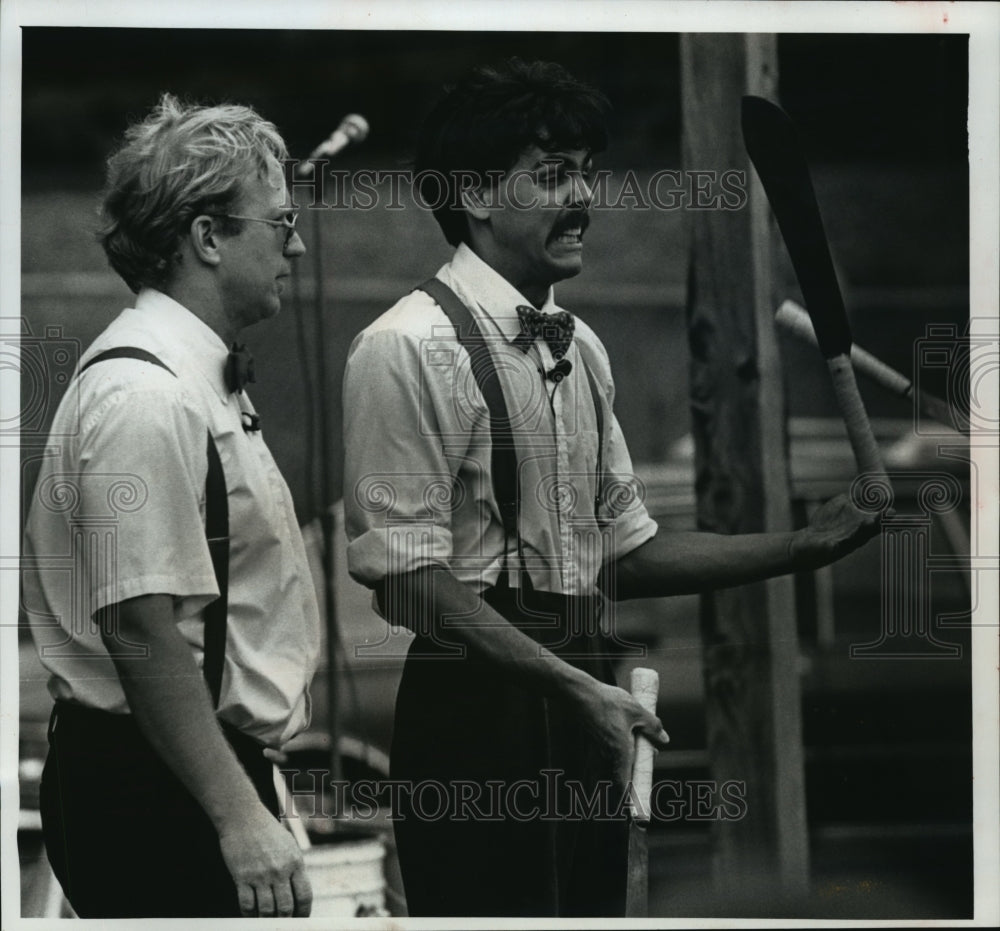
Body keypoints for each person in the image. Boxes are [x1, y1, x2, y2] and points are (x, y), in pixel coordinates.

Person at [341, 59, 879, 917]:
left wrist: (806, 546)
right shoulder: (403, 347)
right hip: (479, 702)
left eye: (587, 170)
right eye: (553, 175)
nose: (584, 194)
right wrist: (572, 685)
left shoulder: (581, 346)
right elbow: (409, 580)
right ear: (477, 195)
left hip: (584, 673)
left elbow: (627, 550)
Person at [22, 94, 320, 918]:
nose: (296, 241)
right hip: (154, 787)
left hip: (189, 771)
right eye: (279, 220)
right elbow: (140, 628)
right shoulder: (143, 397)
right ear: (208, 237)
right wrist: (237, 815)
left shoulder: (189, 378)